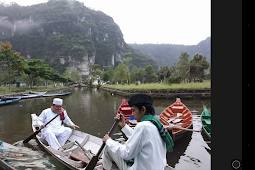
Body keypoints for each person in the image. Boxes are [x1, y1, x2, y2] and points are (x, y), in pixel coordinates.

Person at [102, 94, 174, 170]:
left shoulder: (142, 126)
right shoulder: (155, 123)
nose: (132, 114)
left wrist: (108, 141)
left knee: (108, 147)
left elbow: (127, 153)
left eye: (133, 110)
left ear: (143, 109)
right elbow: (137, 137)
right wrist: (123, 125)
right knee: (120, 145)